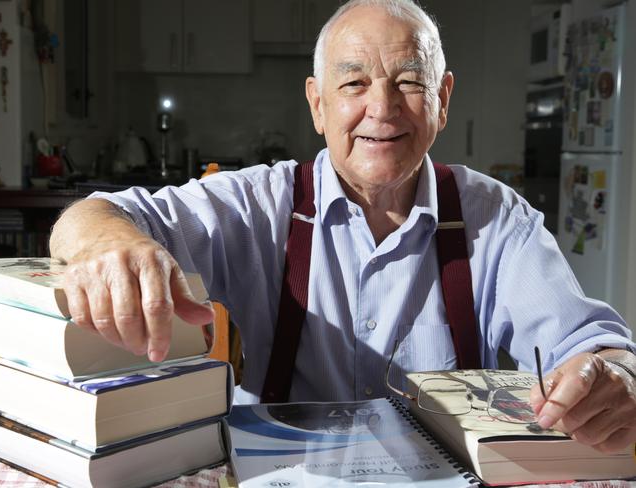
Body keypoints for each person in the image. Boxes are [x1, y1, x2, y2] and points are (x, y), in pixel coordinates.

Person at [50, 0, 635, 453]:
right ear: (318, 104)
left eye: (408, 81)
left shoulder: (496, 217)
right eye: (354, 83)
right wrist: (109, 243)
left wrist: (614, 377)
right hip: (282, 471)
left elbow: (588, 344)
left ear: (443, 98)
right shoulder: (261, 202)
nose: (382, 109)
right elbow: (94, 216)